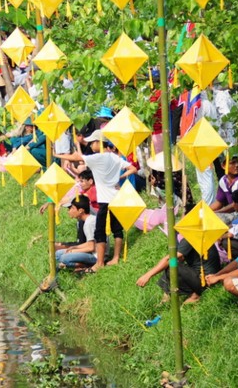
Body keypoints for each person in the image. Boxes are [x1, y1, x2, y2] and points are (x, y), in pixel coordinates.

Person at [55, 129, 137, 271]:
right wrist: (120, 178)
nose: (91, 145)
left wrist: (56, 154)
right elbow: (132, 169)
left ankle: (99, 263)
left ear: (99, 143)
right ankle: (116, 257)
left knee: (100, 231)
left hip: (105, 199)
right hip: (116, 197)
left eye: (92, 142)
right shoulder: (114, 157)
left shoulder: (98, 158)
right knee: (117, 229)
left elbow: (77, 157)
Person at [136, 232, 220, 305]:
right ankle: (168, 296)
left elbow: (169, 259)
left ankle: (195, 295)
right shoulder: (200, 236)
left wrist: (148, 275)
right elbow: (181, 258)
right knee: (171, 264)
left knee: (171, 265)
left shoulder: (190, 238)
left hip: (205, 281)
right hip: (208, 278)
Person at [55, 196, 97, 270]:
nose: (69, 211)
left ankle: (85, 266)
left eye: (72, 208)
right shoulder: (87, 220)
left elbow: (91, 247)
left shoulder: (89, 223)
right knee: (57, 254)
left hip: (95, 256)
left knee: (64, 258)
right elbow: (90, 243)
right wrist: (75, 247)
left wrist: (73, 251)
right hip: (91, 252)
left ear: (80, 210)